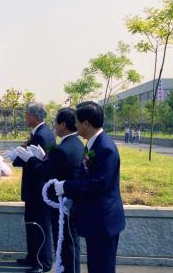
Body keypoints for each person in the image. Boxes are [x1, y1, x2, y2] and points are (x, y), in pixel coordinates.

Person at [54, 101, 126, 273]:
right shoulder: (93, 143)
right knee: (95, 266)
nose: (75, 125)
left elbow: (98, 184)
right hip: (96, 218)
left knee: (102, 268)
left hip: (104, 220)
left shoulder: (105, 148)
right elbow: (84, 174)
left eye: (77, 121)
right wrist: (71, 198)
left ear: (86, 123)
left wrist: (66, 186)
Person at [26, 108, 84, 273]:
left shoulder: (63, 148)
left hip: (63, 203)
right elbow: (57, 166)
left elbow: (46, 172)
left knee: (66, 243)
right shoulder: (77, 144)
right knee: (70, 242)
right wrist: (44, 158)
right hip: (71, 201)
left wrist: (31, 159)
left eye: (56, 123)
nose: (54, 127)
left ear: (63, 124)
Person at [5, 102, 56, 272]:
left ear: (35, 116)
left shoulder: (41, 135)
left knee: (40, 227)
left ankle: (43, 263)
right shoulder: (41, 133)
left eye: (27, 114)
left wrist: (16, 158)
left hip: (38, 190)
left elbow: (35, 162)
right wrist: (18, 155)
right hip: (35, 189)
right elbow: (32, 159)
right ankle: (33, 257)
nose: (24, 117)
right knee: (32, 225)